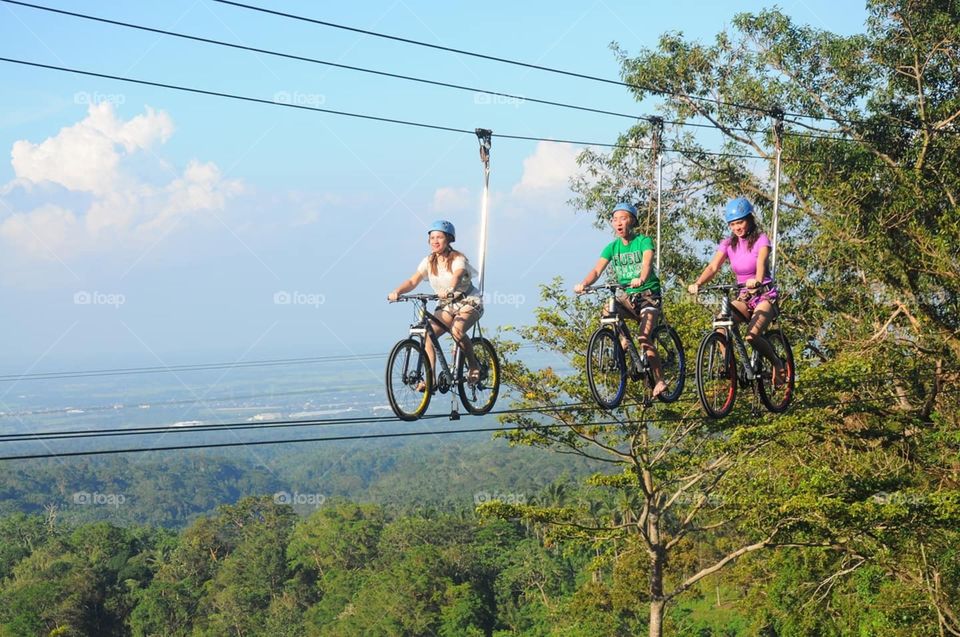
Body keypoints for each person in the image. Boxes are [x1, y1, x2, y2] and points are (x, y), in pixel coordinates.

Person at [687, 196, 785, 384]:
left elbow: (761, 261)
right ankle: (730, 366)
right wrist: (698, 283)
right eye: (732, 224)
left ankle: (777, 362)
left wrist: (757, 280)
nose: (737, 228)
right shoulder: (728, 244)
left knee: (752, 336)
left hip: (764, 295)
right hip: (745, 296)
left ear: (749, 220)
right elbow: (713, 267)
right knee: (721, 322)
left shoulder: (761, 240)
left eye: (740, 222)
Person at [574, 202, 667, 397]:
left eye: (623, 218)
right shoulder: (612, 247)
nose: (619, 223)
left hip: (648, 296)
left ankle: (660, 380)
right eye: (615, 219)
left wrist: (641, 278)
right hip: (627, 297)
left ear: (632, 221)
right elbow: (597, 270)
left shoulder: (643, 241)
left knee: (644, 337)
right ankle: (624, 340)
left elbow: (647, 262)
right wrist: (584, 284)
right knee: (609, 310)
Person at [388, 220, 483, 386]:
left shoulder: (457, 259)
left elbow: (458, 274)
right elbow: (412, 281)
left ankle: (474, 367)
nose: (435, 241)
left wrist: (452, 288)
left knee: (457, 330)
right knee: (427, 336)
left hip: (468, 301)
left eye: (439, 237)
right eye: (432, 238)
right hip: (448, 305)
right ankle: (430, 379)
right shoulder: (428, 261)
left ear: (448, 240)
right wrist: (397, 292)